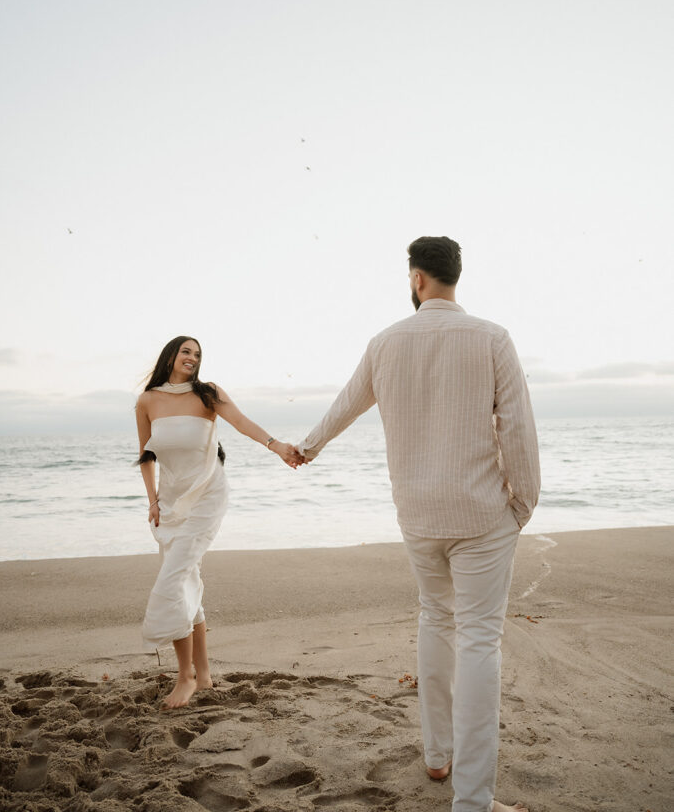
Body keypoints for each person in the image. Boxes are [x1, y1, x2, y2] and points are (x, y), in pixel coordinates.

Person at [297, 237, 540, 812]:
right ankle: (472, 800)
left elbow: (346, 405)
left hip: (418, 514)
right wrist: (522, 506)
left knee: (437, 620)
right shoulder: (490, 337)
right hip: (481, 513)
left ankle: (437, 754)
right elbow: (518, 429)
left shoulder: (385, 342)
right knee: (479, 639)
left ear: (416, 279)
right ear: (456, 277)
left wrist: (305, 448)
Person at [136, 335, 301, 709]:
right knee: (188, 578)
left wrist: (276, 446)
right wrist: (152, 501)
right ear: (170, 356)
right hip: (172, 502)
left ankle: (186, 677)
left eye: (197, 354)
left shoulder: (208, 394)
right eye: (186, 351)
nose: (192, 358)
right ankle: (205, 674)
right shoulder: (147, 401)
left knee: (174, 577)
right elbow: (146, 454)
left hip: (208, 496)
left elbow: (241, 422)